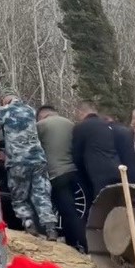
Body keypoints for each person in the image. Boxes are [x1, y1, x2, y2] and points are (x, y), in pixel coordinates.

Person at [0, 94, 58, 240]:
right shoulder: (31, 110)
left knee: (19, 197)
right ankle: (50, 228)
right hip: (38, 159)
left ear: (4, 100)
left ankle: (29, 224)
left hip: (17, 161)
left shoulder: (4, 111)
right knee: (42, 194)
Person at [36, 105, 87, 253]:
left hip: (56, 173)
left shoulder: (41, 126)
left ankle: (83, 244)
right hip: (73, 171)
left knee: (67, 211)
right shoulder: (70, 124)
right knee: (70, 210)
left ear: (42, 116)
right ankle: (72, 243)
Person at [71, 102, 122, 201]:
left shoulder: (81, 127)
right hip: (116, 168)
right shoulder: (106, 125)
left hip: (98, 173)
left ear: (81, 112)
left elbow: (77, 154)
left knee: (101, 204)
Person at [102, 113, 135, 185]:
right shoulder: (125, 131)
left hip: (125, 176)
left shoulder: (110, 132)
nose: (132, 122)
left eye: (134, 118)